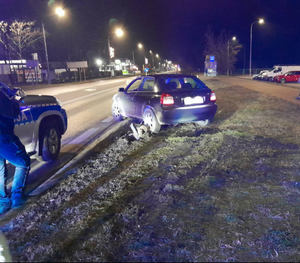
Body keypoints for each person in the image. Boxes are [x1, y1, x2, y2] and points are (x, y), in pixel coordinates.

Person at [0, 83, 30, 214]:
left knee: (0, 168)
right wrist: (15, 100)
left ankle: (2, 200)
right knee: (23, 162)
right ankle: (17, 199)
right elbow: (12, 113)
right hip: (3, 135)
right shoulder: (1, 91)